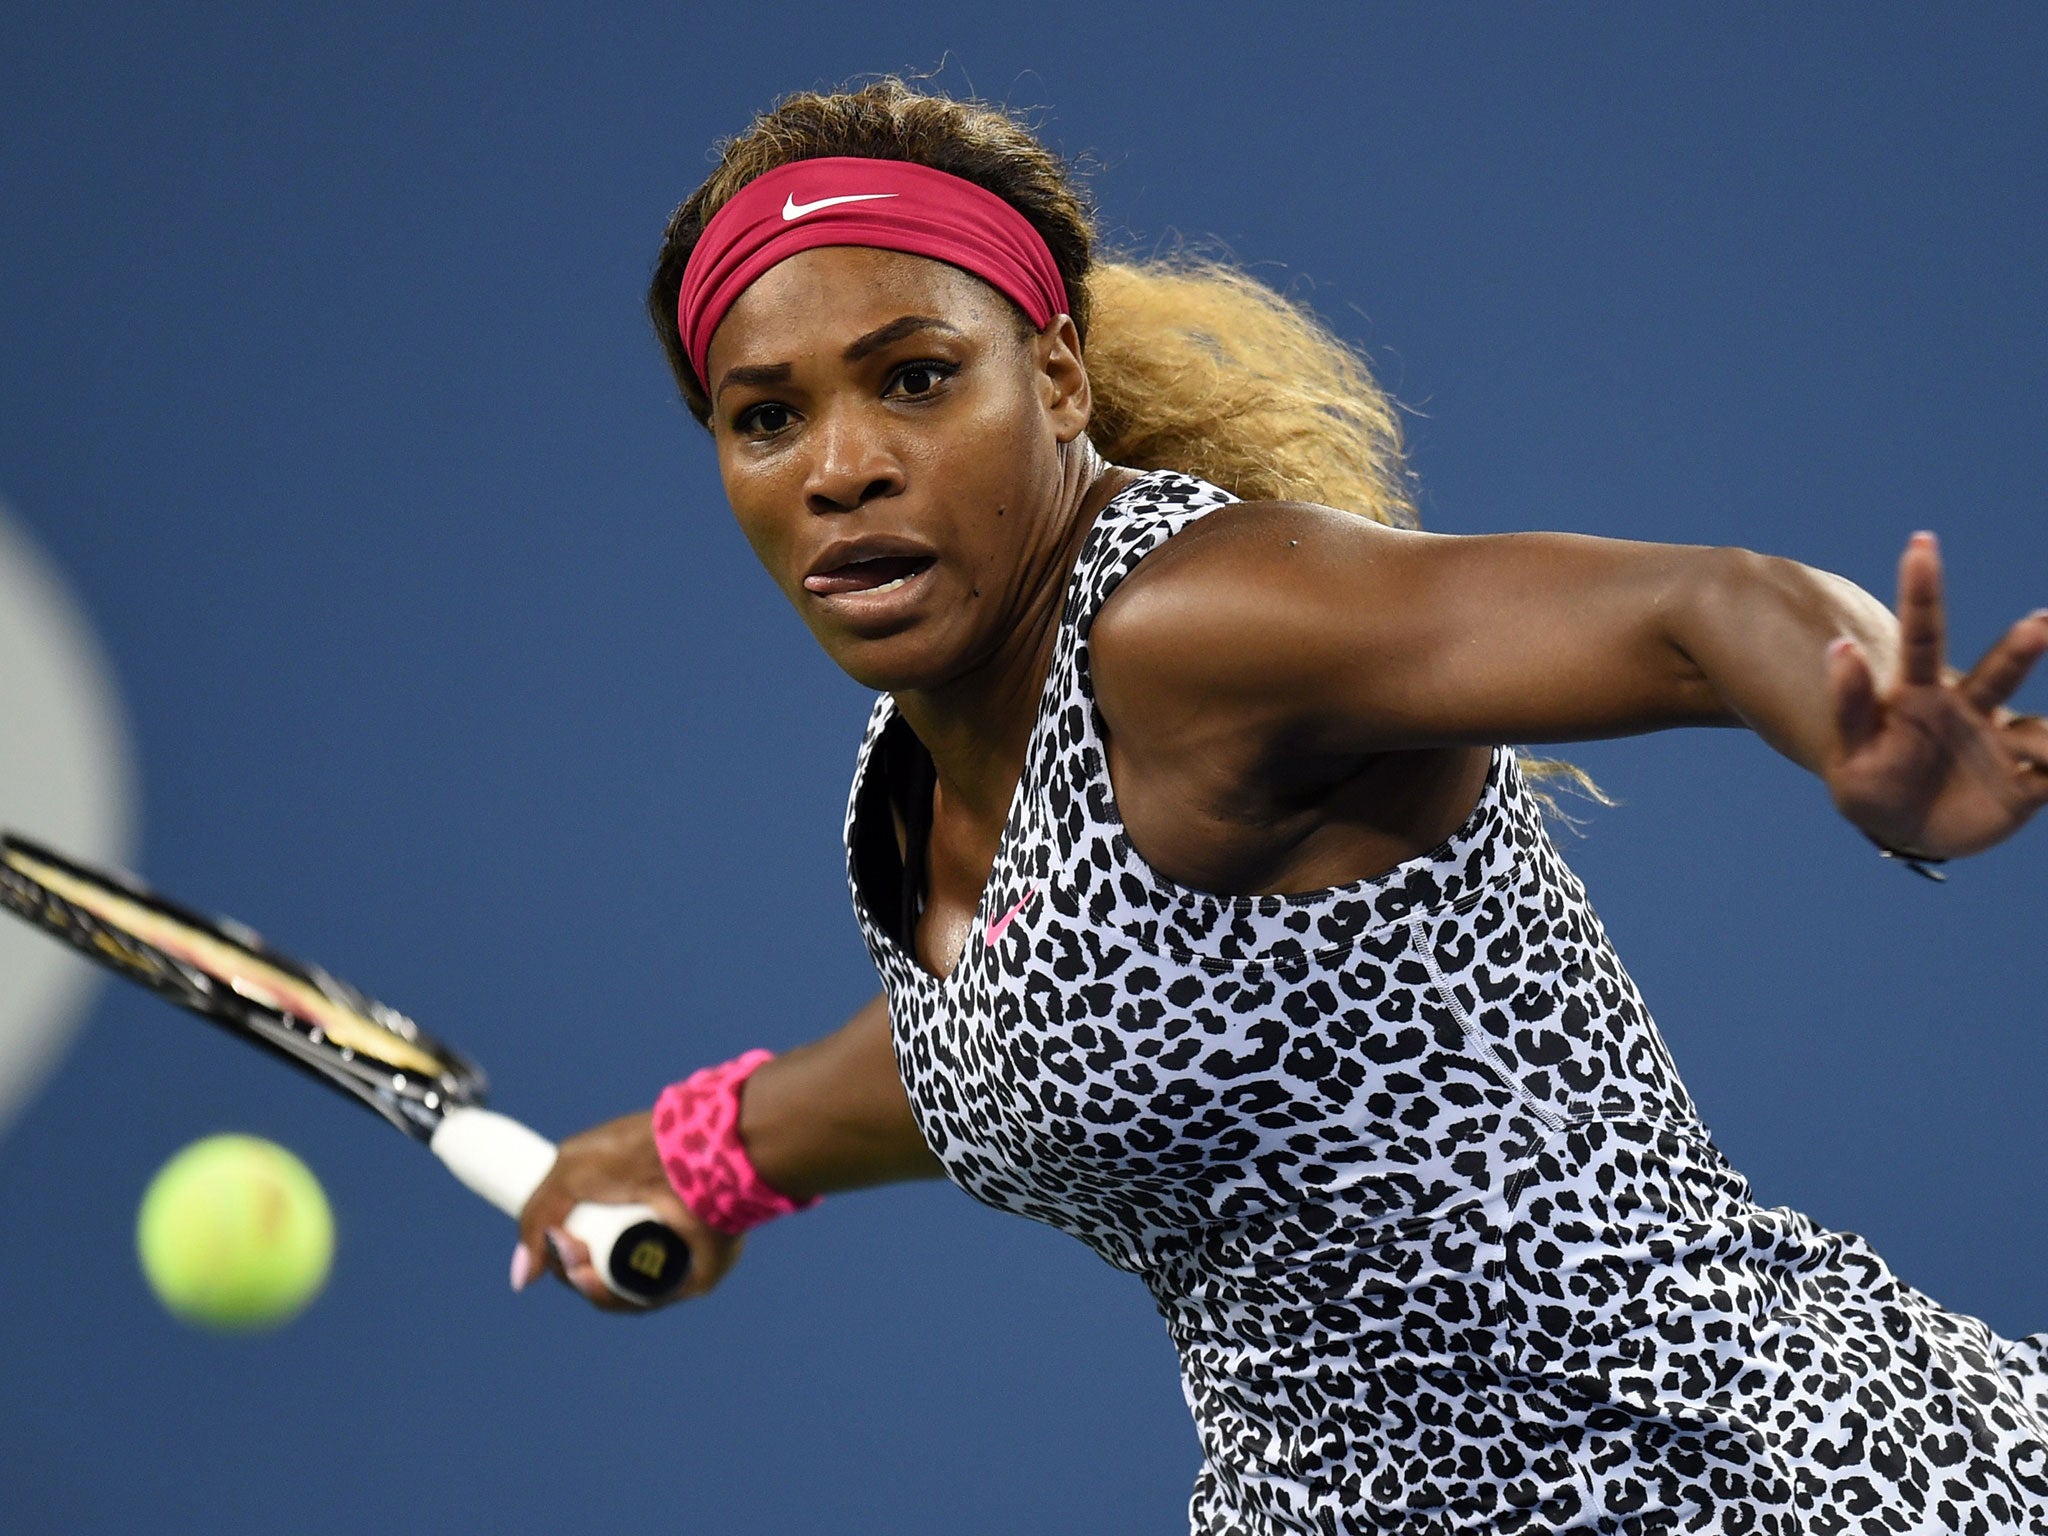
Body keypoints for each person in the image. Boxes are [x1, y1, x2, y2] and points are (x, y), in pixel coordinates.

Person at [514, 79, 2048, 1533]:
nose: (842, 466)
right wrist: (707, 1145)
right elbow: (1029, 1040)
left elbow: (1707, 607)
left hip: (1763, 1485)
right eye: (765, 417)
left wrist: (1865, 744)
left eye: (917, 380)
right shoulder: (917, 767)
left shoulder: (1193, 633)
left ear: (1055, 378)